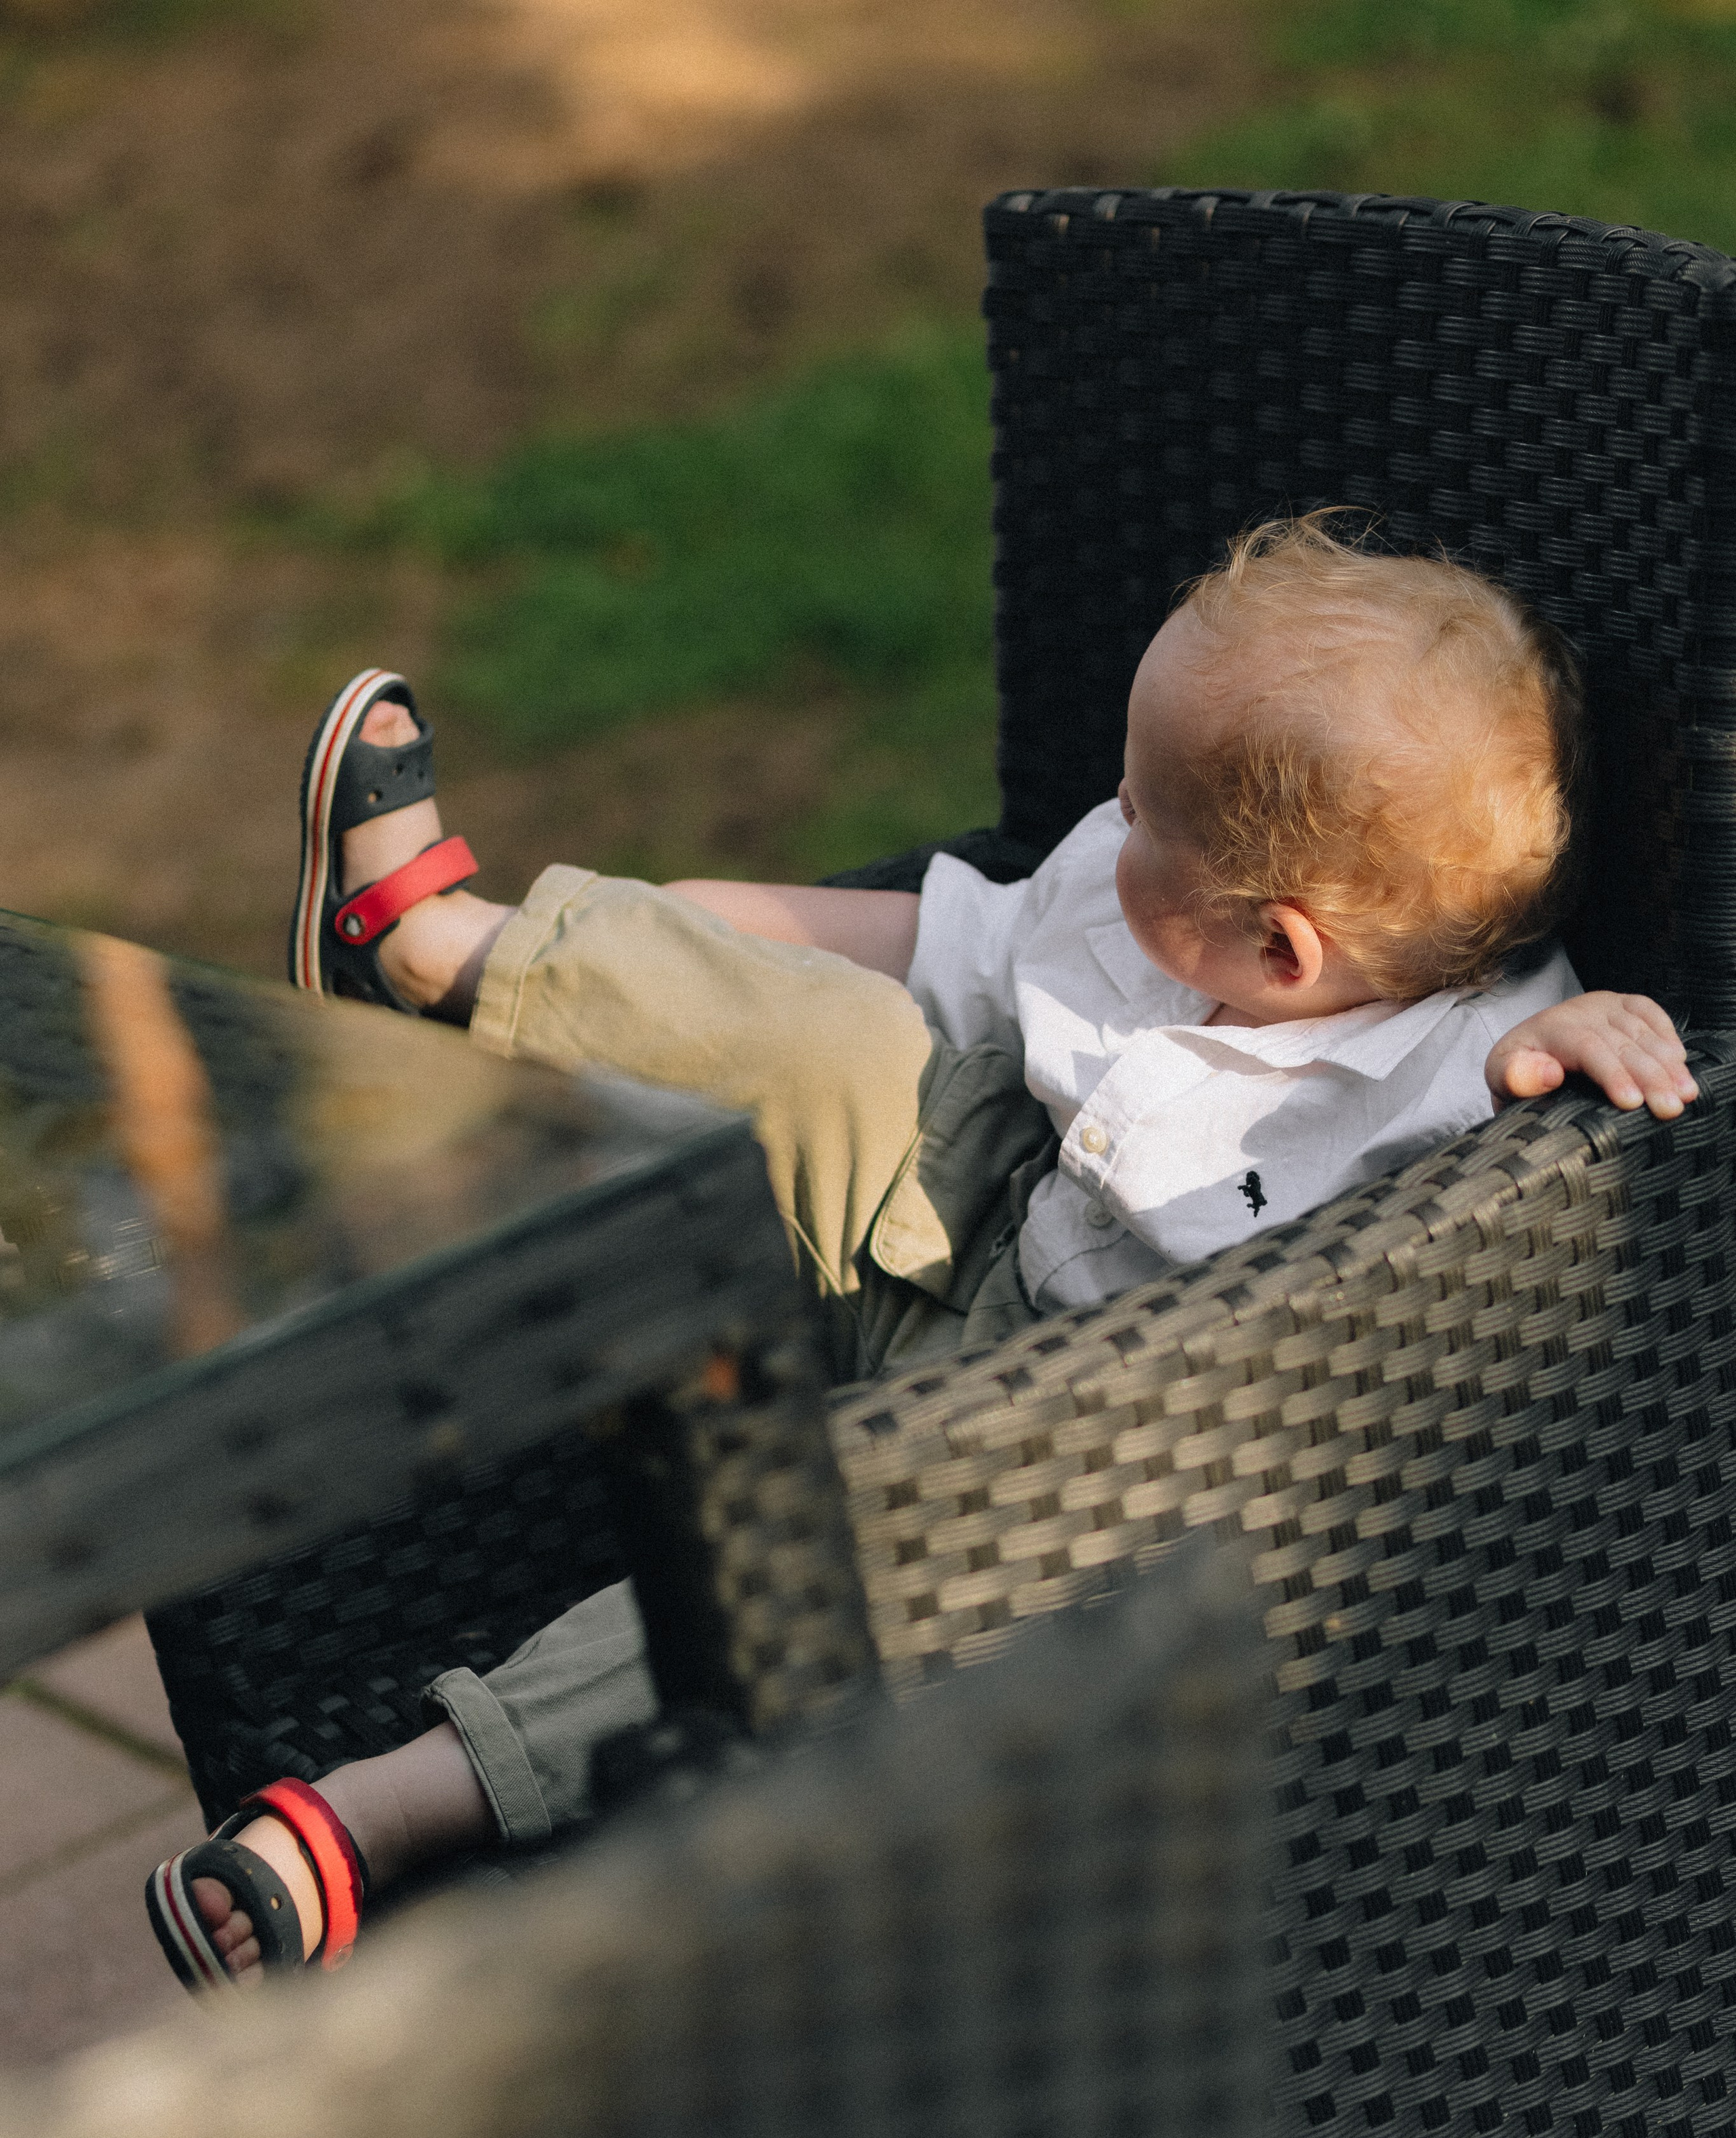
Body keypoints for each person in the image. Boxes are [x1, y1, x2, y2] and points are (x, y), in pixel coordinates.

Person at [147, 517, 1699, 1992]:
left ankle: (390, 1806)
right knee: (831, 1039)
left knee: (800, 1565)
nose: (1108, 820)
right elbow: (930, 943)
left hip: (1056, 1465)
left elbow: (1517, 1164)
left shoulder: (1457, 1064)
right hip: (956, 1224)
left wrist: (1566, 1040)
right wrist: (662, 949)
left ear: (1278, 949)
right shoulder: (1149, 903)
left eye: (1146, 812)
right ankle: (431, 956)